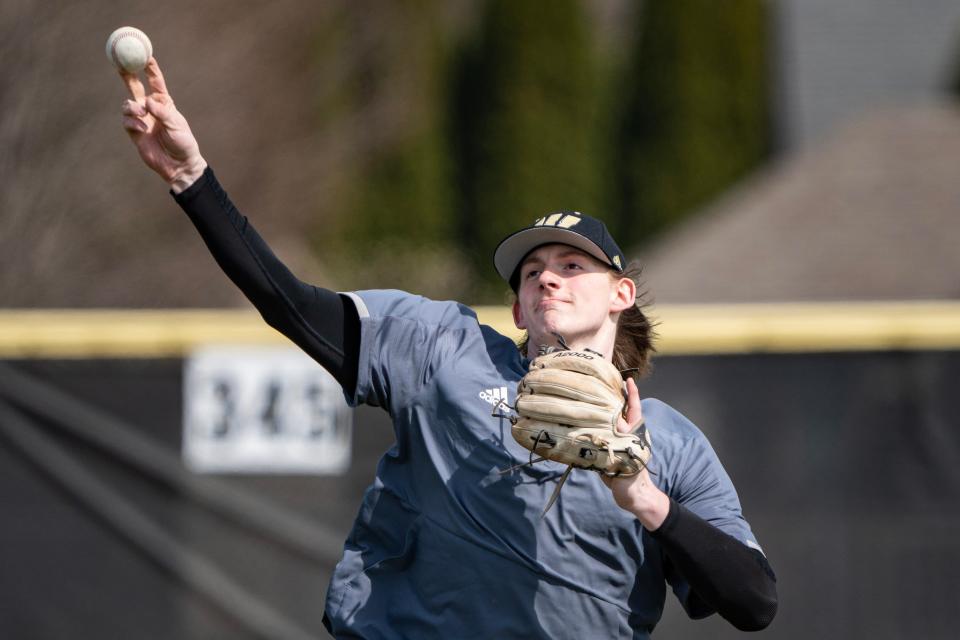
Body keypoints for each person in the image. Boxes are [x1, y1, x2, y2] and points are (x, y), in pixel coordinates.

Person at [119, 58, 777, 638]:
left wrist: (644, 499)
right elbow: (291, 305)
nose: (547, 275)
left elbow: (754, 601)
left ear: (621, 293)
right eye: (531, 271)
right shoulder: (445, 351)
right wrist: (191, 178)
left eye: (573, 266)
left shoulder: (669, 443)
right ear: (519, 307)